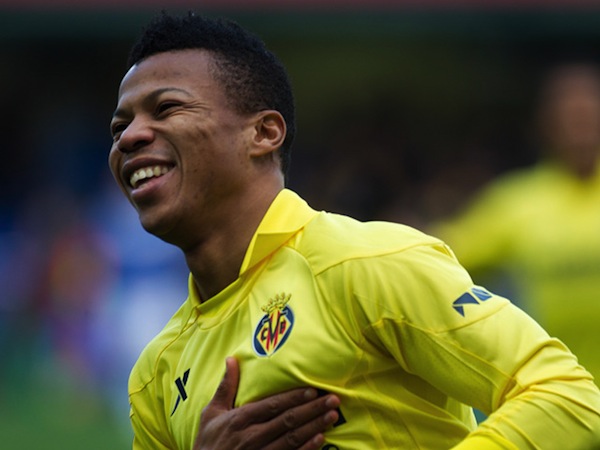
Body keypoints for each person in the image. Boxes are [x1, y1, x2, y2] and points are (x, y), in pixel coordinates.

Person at [108, 11, 600, 449]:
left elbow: (567, 395)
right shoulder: (155, 373)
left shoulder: (365, 267)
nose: (130, 137)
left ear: (263, 133)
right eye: (119, 127)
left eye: (166, 108)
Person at [433, 62, 600, 383]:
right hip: (559, 388)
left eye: (588, 116)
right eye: (571, 118)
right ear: (548, 125)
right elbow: (441, 253)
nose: (581, 128)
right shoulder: (517, 203)